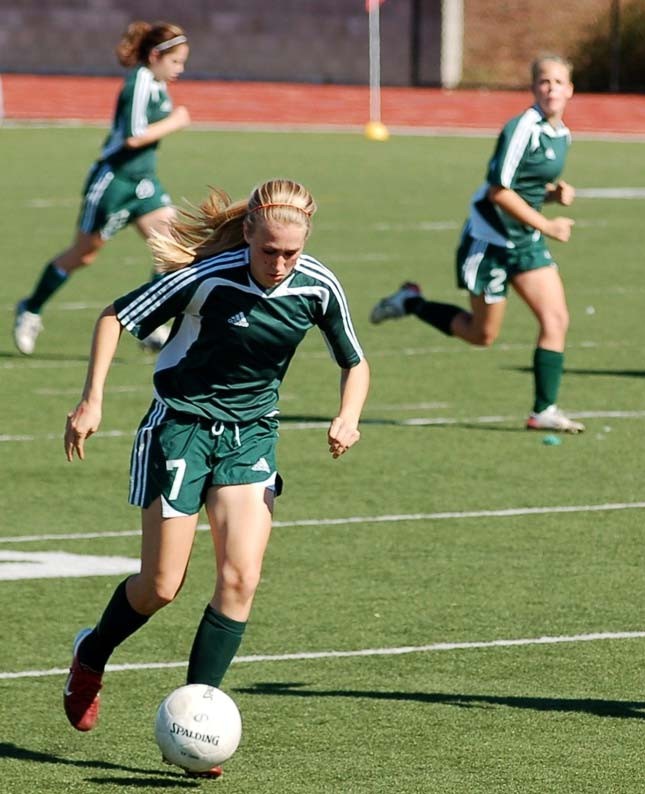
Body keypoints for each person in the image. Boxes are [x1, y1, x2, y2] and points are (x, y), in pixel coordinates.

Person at [61, 179, 370, 778]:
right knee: (160, 586)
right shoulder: (208, 276)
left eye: (292, 253)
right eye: (269, 250)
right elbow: (114, 317)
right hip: (179, 429)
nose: (280, 264)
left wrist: (347, 416)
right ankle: (91, 652)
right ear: (249, 232)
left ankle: (195, 722)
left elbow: (354, 362)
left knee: (239, 579)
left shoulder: (318, 286)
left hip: (251, 437)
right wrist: (91, 400)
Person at [369, 54, 584, 433]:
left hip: (526, 240)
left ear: (570, 89)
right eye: (544, 82)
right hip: (489, 241)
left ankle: (543, 410)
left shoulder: (561, 133)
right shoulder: (522, 128)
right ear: (534, 88)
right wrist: (548, 225)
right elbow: (498, 191)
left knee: (556, 319)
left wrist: (552, 195)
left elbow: (525, 187)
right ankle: (411, 302)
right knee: (481, 335)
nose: (551, 89)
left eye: (558, 82)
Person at [13, 20, 191, 355]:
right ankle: (31, 309)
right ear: (155, 55)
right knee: (85, 254)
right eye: (176, 61)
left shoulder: (157, 83)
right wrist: (176, 121)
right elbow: (134, 136)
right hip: (114, 183)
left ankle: (148, 321)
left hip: (144, 184)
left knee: (173, 246)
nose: (180, 69)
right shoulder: (138, 81)